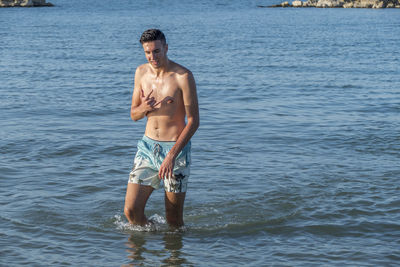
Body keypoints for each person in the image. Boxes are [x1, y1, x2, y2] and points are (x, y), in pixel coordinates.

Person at [124, 29, 199, 228]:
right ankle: (151, 239)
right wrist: (145, 108)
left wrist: (172, 155)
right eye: (148, 52)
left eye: (156, 51)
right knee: (131, 212)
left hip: (175, 151)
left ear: (166, 48)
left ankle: (174, 257)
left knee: (173, 220)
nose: (152, 57)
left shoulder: (183, 76)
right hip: (147, 149)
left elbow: (193, 121)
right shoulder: (141, 72)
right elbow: (133, 115)